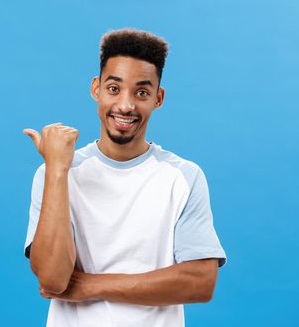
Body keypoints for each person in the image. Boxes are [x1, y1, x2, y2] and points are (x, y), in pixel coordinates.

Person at [23, 28, 227, 327]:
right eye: (114, 89)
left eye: (141, 92)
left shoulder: (183, 177)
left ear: (158, 98)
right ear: (96, 88)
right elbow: (53, 281)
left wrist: (90, 286)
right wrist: (57, 168)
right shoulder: (56, 172)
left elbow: (200, 282)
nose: (126, 105)